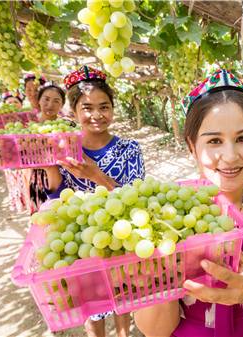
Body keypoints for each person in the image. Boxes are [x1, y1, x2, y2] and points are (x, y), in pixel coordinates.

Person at [134, 69, 243, 337]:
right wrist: (164, 275)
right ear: (191, 146)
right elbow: (155, 331)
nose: (230, 155)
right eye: (214, 140)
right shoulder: (163, 218)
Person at [43, 65, 144, 337]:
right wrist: (52, 168)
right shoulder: (65, 151)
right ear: (73, 112)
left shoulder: (130, 149)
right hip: (84, 243)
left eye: (104, 106)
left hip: (122, 241)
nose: (97, 115)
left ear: (112, 108)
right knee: (92, 305)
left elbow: (138, 202)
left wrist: (97, 175)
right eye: (87, 108)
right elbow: (57, 199)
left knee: (123, 299)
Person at [26, 82, 68, 214]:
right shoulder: (28, 127)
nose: (50, 105)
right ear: (39, 100)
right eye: (46, 99)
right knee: (42, 217)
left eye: (56, 101)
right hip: (38, 178)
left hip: (63, 177)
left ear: (61, 104)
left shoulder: (68, 126)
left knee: (62, 214)